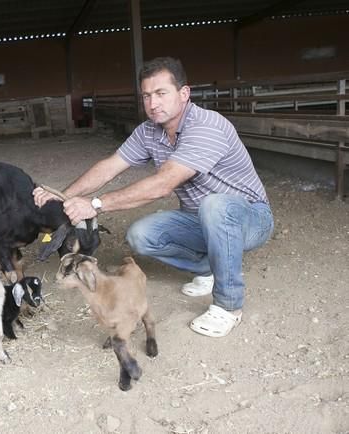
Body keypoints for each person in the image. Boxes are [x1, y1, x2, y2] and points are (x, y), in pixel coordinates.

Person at [33, 56, 274, 338]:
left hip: (249, 218)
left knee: (215, 205)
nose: (153, 103)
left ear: (184, 94)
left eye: (161, 93)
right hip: (198, 219)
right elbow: (111, 165)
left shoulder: (207, 126)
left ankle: (229, 306)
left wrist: (95, 205)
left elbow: (163, 185)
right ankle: (211, 268)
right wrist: (61, 195)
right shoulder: (149, 131)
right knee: (141, 235)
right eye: (146, 95)